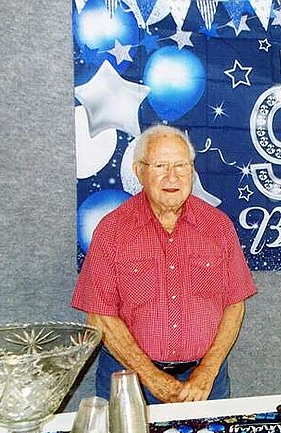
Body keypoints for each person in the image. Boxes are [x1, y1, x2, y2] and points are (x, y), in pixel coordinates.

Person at [72, 125, 257, 403]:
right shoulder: (111, 231)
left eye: (181, 165)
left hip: (206, 384)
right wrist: (152, 378)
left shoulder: (218, 227)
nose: (172, 176)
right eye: (160, 165)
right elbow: (100, 317)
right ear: (139, 171)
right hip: (130, 383)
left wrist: (207, 371)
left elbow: (234, 304)